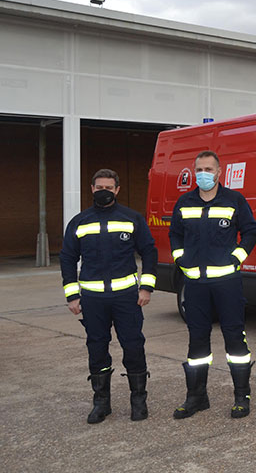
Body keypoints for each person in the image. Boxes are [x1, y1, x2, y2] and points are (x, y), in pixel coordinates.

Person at [59, 168, 158, 423]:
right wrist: (72, 295)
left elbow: (149, 252)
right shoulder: (80, 222)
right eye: (99, 187)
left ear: (117, 190)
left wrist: (146, 287)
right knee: (97, 349)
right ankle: (101, 403)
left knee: (133, 346)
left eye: (109, 188)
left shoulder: (131, 218)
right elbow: (68, 258)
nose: (104, 192)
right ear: (92, 189)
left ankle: (139, 402)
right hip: (93, 300)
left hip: (126, 298)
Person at [169, 150, 256, 419]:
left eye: (209, 169)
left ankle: (241, 396)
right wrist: (180, 258)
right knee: (197, 342)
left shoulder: (234, 200)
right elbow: (175, 233)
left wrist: (236, 259)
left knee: (235, 339)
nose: (203, 174)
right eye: (199, 169)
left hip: (227, 283)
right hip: (195, 284)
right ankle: (196, 397)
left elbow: (251, 232)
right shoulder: (184, 202)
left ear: (219, 172)